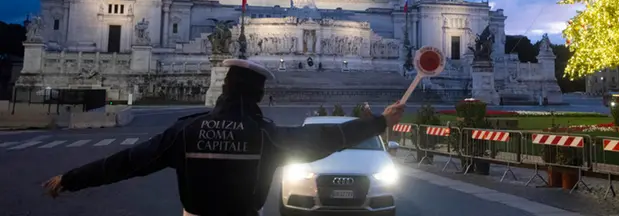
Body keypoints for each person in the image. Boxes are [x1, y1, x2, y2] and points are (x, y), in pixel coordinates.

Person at [42, 59, 405, 216]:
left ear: (224, 90)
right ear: (258, 95)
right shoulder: (266, 137)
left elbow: (126, 163)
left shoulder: (186, 131)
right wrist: (378, 123)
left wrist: (71, 179)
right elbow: (328, 138)